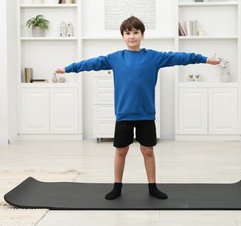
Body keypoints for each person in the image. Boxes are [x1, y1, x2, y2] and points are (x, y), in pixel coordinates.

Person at [56, 16, 220, 200]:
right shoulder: (115, 58)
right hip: (124, 114)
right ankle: (117, 187)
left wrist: (206, 60)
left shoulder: (154, 57)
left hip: (146, 114)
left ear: (142, 35)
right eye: (128, 33)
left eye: (135, 33)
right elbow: (90, 63)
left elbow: (181, 57)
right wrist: (68, 69)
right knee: (121, 151)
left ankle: (152, 187)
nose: (132, 36)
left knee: (147, 151)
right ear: (122, 36)